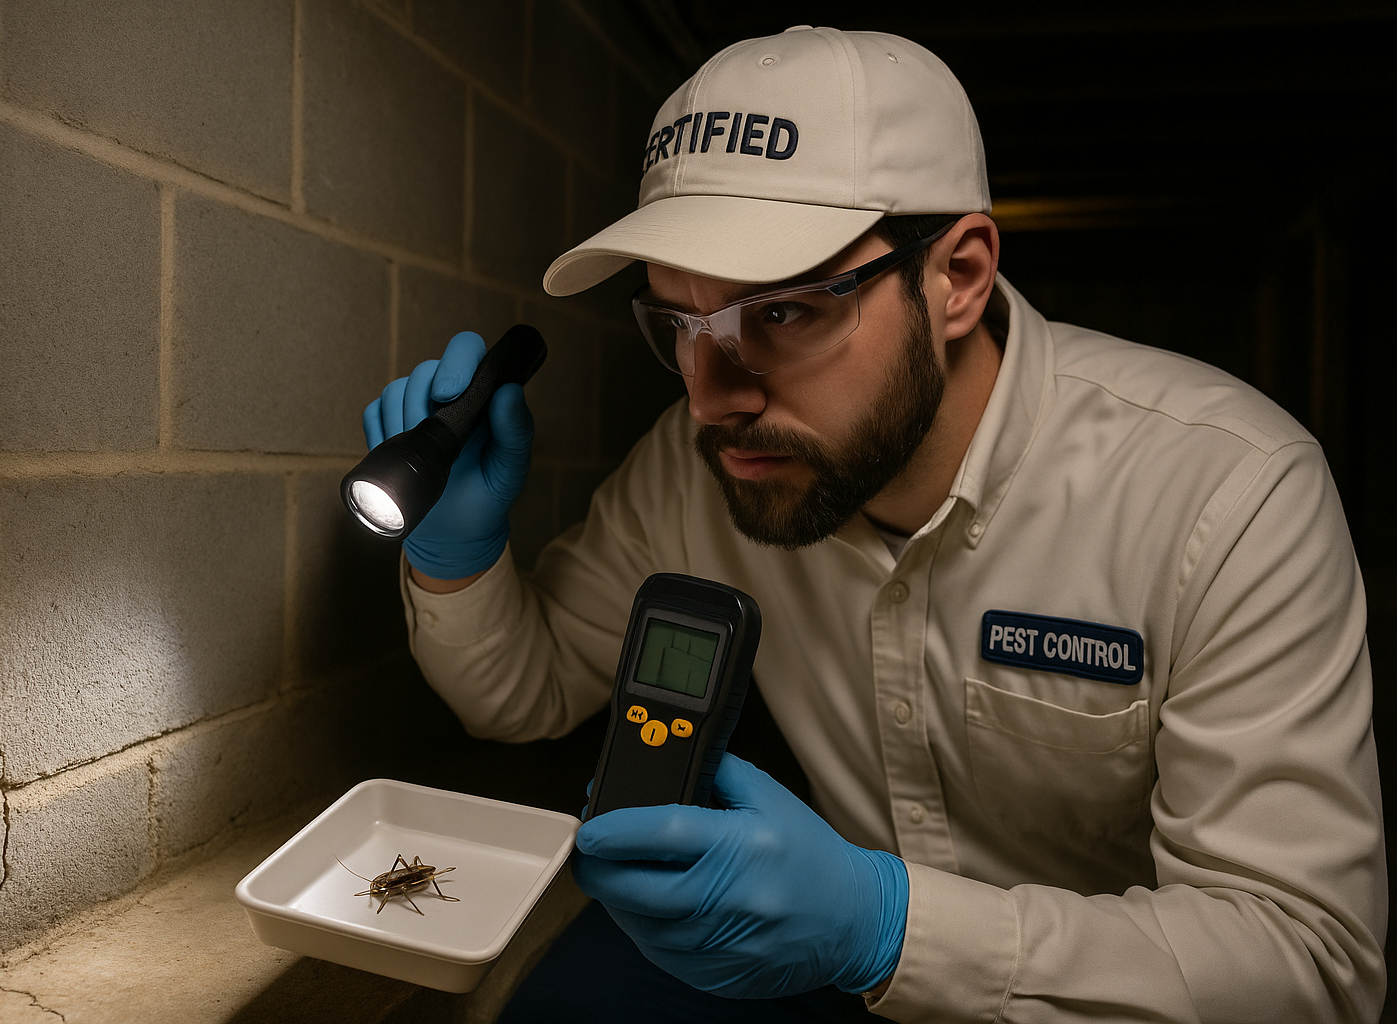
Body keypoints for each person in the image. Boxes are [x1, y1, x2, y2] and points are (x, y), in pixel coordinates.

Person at [363, 26, 1386, 1022]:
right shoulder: (694, 465)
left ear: (958, 276)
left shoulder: (1227, 491)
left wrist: (891, 929)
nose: (710, 394)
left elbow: (1308, 967)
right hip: (814, 979)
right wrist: (458, 554)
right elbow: (525, 691)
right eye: (678, 322)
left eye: (783, 313)